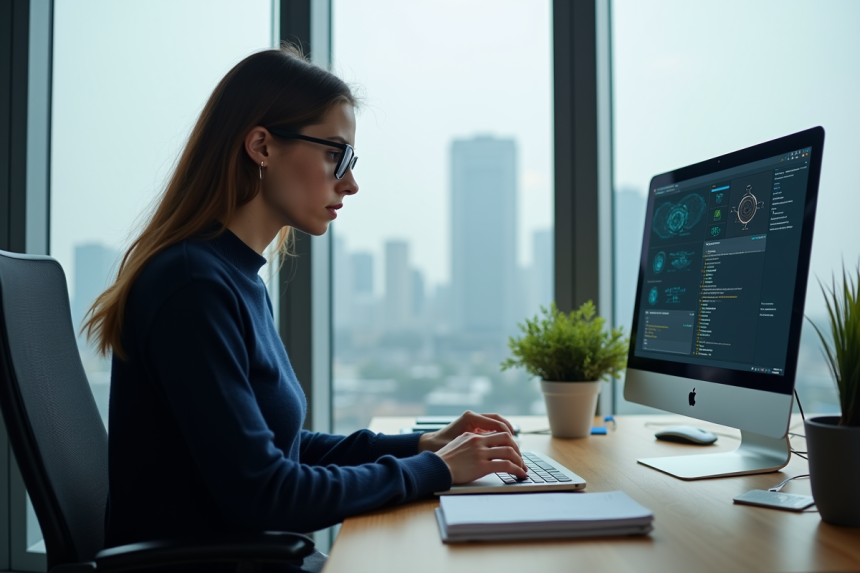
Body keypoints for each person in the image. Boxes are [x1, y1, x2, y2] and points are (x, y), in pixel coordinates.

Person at [83, 45, 527, 571]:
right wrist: (434, 469)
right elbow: (267, 492)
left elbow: (281, 447)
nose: (351, 182)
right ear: (262, 146)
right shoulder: (193, 287)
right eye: (334, 154)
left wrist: (423, 445)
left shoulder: (231, 276)